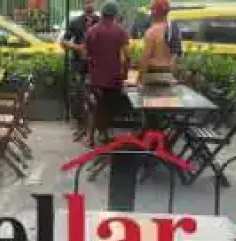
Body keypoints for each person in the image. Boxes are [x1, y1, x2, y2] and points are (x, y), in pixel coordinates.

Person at [84, 1, 132, 145]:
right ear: (115, 14)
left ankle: (90, 137)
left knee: (94, 107)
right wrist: (125, 73)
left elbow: (86, 54)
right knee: (108, 108)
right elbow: (127, 56)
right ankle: (104, 135)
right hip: (113, 78)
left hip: (95, 77)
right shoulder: (121, 31)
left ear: (102, 13)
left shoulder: (91, 31)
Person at [61, 1, 99, 135]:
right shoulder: (75, 22)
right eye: (87, 1)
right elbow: (63, 41)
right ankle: (80, 125)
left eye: (92, 1)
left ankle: (93, 126)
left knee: (94, 96)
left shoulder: (100, 21)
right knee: (78, 94)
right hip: (78, 64)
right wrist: (77, 47)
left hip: (95, 65)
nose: (89, 4)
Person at [137, 0, 182, 86]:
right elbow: (177, 55)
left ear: (154, 12)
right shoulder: (173, 30)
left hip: (153, 76)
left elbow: (145, 58)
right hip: (169, 76)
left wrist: (139, 78)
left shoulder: (152, 32)